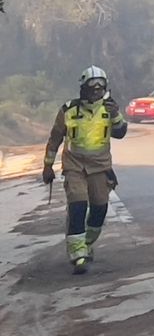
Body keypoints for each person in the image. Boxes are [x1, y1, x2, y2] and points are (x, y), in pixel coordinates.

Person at [42, 66, 128, 274]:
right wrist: (47, 165)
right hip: (75, 167)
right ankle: (77, 254)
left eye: (100, 87)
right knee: (78, 206)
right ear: (83, 88)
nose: (96, 91)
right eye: (92, 87)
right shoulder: (69, 110)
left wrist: (116, 116)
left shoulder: (110, 109)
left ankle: (86, 243)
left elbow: (120, 132)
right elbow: (55, 138)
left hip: (100, 167)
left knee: (99, 210)